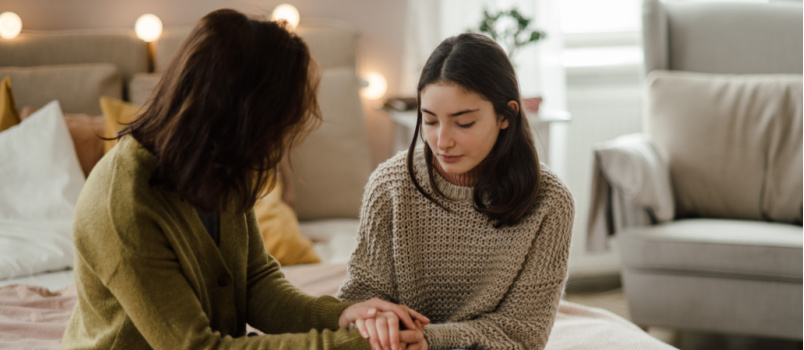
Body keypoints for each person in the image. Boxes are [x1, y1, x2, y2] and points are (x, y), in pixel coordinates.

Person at [61, 9, 428, 350]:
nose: (278, 143)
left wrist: (343, 316)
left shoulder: (218, 167)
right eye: (275, 126)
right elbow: (198, 347)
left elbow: (256, 284)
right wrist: (354, 344)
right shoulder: (123, 204)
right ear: (237, 118)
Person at [337, 33, 575, 350]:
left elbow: (523, 335)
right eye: (430, 121)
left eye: (463, 123)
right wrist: (376, 321)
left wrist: (430, 339)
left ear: (506, 116)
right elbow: (360, 299)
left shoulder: (550, 202)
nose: (442, 141)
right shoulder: (390, 185)